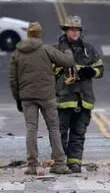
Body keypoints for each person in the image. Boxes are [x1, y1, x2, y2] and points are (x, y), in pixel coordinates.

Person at [9, 22, 76, 175]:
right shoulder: (46, 49)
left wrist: (18, 98)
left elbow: (13, 78)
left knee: (31, 128)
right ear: (40, 34)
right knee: (53, 128)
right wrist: (67, 49)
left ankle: (32, 165)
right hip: (46, 95)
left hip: (27, 96)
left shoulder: (17, 53)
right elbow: (68, 62)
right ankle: (59, 163)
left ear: (28, 34)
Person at [54, 16, 104, 173]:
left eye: (77, 30)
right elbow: (49, 70)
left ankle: (74, 162)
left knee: (78, 133)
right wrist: (64, 73)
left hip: (84, 99)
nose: (75, 33)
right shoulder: (57, 49)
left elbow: (100, 69)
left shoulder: (88, 50)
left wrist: (91, 71)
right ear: (66, 31)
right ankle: (60, 163)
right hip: (64, 98)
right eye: (71, 30)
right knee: (61, 133)